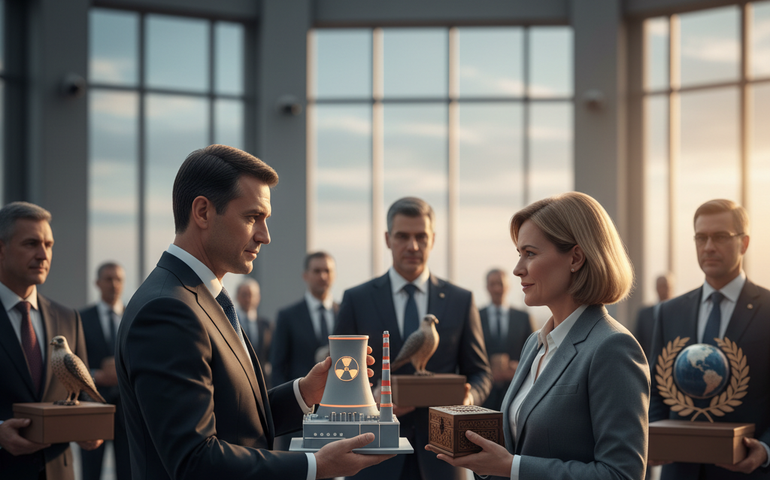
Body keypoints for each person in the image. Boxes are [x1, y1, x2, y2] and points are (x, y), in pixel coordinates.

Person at [114, 145, 392, 480]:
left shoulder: (199, 297)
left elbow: (233, 418)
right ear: (202, 212)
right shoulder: (167, 310)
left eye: (265, 219)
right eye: (251, 218)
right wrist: (316, 465)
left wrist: (304, 392)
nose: (265, 236)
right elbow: (195, 460)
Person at [427, 191, 649, 479]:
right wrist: (484, 461)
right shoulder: (535, 343)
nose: (518, 270)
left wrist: (512, 467)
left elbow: (622, 474)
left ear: (576, 258)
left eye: (530, 254)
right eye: (519, 255)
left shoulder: (612, 348)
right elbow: (519, 447)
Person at [335, 196, 493, 480]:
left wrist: (467, 396)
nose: (413, 246)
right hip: (373, 455)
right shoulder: (356, 300)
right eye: (402, 236)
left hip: (443, 457)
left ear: (433, 239)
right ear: (387, 239)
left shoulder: (461, 300)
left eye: (421, 236)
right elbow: (340, 375)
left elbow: (480, 373)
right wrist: (371, 399)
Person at [649, 199, 770, 479]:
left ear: (744, 243)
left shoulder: (767, 310)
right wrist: (654, 437)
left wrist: (765, 448)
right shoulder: (669, 312)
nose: (708, 247)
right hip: (678, 470)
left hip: (747, 472)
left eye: (720, 237)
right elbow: (657, 386)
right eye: (701, 237)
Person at [0, 201, 102, 480]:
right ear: (1, 249)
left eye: (49, 244)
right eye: (31, 243)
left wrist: (91, 429)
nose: (43, 254)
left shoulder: (68, 318)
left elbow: (80, 394)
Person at [271, 251, 337, 451]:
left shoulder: (344, 313)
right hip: (298, 418)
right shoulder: (287, 317)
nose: (323, 276)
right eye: (317, 271)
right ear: (305, 275)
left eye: (327, 271)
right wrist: (285, 413)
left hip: (337, 417)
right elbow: (278, 367)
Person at [79, 261, 131, 480]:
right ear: (97, 283)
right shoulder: (81, 318)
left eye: (118, 279)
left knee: (128, 471)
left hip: (127, 410)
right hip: (93, 406)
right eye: (108, 279)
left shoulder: (135, 316)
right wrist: (96, 375)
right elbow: (74, 361)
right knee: (91, 471)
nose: (114, 284)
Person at [480, 268, 533, 412]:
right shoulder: (475, 317)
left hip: (515, 391)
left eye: (500, 284)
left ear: (508, 286)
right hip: (484, 394)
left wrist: (517, 367)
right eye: (493, 284)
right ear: (487, 287)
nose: (497, 289)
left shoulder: (523, 318)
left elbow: (533, 353)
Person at [235, 278, 272, 374]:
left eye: (251, 295)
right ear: (237, 297)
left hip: (261, 380)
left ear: (258, 298)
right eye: (244, 295)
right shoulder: (230, 323)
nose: (248, 299)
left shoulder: (266, 325)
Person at [633, 273, 673, 360]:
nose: (665, 289)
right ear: (656, 288)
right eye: (662, 286)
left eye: (667, 286)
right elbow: (638, 342)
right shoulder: (644, 314)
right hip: (649, 365)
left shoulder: (680, 313)